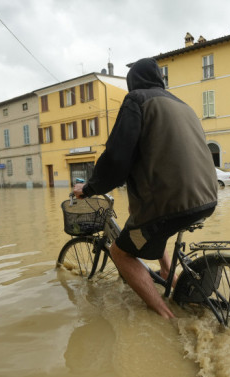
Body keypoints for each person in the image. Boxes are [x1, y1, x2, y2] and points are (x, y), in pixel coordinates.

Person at [72, 57, 218, 319]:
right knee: (151, 225)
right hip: (206, 197)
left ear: (133, 82)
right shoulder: (183, 106)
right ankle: (168, 274)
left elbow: (117, 157)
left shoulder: (136, 100)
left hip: (170, 203)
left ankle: (165, 316)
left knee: (121, 252)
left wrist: (90, 188)